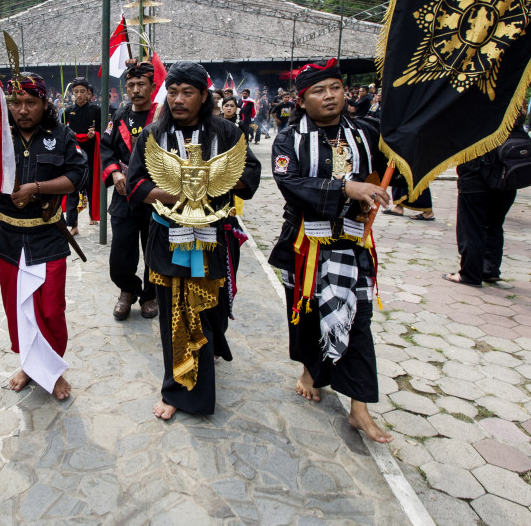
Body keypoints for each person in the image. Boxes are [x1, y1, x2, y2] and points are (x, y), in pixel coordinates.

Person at [126, 62, 260, 420]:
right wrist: (177, 193)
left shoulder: (227, 132)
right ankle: (179, 390)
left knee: (211, 308)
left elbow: (250, 175)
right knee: (175, 312)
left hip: (214, 235)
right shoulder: (151, 136)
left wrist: (209, 182)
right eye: (172, 92)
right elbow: (135, 185)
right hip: (168, 237)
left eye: (187, 93)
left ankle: (211, 344)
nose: (178, 100)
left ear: (204, 95)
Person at [268, 63, 393, 444]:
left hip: (354, 242)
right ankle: (312, 371)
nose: (329, 96)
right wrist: (345, 189)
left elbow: (392, 165)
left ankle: (359, 407)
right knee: (305, 314)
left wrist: (384, 185)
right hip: (305, 243)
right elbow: (290, 182)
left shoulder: (367, 132)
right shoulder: (288, 139)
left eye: (335, 88)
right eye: (318, 91)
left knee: (359, 319)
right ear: (302, 100)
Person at [0, 74, 86, 400]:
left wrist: (37, 188)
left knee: (51, 309)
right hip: (7, 237)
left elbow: (77, 175)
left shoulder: (60, 135)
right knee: (18, 309)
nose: (22, 110)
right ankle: (30, 365)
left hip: (47, 236)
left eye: (31, 102)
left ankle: (53, 369)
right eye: (16, 103)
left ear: (45, 103)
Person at [100, 60, 160, 321]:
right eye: (131, 85)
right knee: (120, 254)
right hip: (124, 196)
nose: (135, 90)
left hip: (155, 196)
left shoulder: (162, 116)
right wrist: (114, 171)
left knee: (154, 250)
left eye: (141, 84)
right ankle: (128, 290)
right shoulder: (119, 116)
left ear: (152, 87)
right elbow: (106, 147)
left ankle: (149, 296)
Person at [445, 116, 526, 287]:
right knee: (494, 225)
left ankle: (470, 274)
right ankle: (489, 269)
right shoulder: (511, 107)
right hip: (505, 175)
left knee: (472, 227)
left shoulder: (477, 110)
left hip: (477, 176)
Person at [63, 77, 101, 235]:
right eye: (76, 92)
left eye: (82, 91)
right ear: (72, 93)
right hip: (74, 155)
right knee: (72, 189)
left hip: (91, 153)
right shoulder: (67, 112)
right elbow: (63, 134)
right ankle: (73, 225)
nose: (79, 95)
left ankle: (93, 215)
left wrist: (95, 134)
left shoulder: (96, 110)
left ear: (88, 93)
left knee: (91, 186)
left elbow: (104, 132)